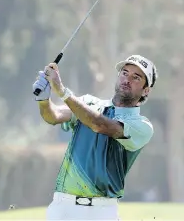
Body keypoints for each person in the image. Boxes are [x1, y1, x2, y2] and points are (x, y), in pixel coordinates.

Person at [32, 55, 158, 220]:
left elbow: (100, 125)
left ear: (146, 90)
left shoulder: (142, 126)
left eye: (136, 77)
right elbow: (54, 116)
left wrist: (62, 91)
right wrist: (43, 100)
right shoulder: (88, 103)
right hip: (63, 207)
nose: (127, 79)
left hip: (102, 211)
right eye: (125, 73)